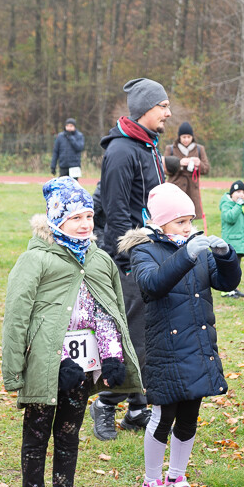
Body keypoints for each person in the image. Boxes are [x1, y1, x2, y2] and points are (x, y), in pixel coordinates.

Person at [1, 177, 139, 487]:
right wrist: (19, 370)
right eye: (75, 216)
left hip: (81, 374)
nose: (84, 223)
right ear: (56, 219)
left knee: (68, 437)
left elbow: (109, 313)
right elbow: (17, 318)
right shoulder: (35, 260)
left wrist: (111, 356)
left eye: (89, 215)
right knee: (36, 438)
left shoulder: (99, 260)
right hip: (46, 371)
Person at [121, 183, 241, 487]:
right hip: (165, 348)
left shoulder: (196, 246)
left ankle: (176, 478)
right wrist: (186, 255)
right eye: (180, 223)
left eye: (190, 221)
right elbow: (152, 285)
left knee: (190, 415)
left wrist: (226, 256)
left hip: (198, 346)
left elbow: (227, 282)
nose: (189, 228)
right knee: (163, 415)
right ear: (161, 224)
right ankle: (151, 484)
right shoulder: (144, 249)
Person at [90, 78, 179, 441]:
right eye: (163, 105)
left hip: (148, 252)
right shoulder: (123, 151)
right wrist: (125, 262)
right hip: (128, 258)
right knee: (132, 334)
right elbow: (113, 213)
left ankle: (138, 408)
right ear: (145, 108)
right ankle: (105, 403)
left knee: (149, 332)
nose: (168, 112)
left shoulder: (147, 147)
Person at [165, 122, 210, 219]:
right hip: (175, 190)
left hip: (192, 193)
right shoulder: (171, 149)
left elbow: (206, 169)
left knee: (189, 219)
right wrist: (179, 164)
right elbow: (164, 169)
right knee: (174, 218)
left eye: (188, 137)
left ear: (192, 137)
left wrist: (199, 164)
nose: (186, 140)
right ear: (179, 137)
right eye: (184, 137)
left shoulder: (199, 149)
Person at [219, 180, 244, 298]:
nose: (241, 195)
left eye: (243, 193)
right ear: (231, 194)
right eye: (238, 192)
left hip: (241, 242)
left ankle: (233, 288)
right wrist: (238, 205)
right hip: (232, 241)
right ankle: (226, 289)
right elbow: (230, 218)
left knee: (237, 268)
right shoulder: (227, 205)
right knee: (230, 267)